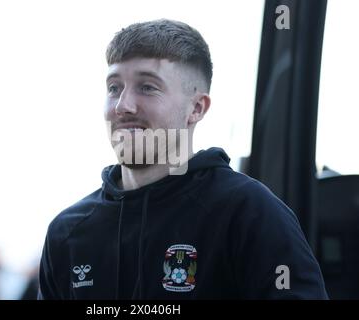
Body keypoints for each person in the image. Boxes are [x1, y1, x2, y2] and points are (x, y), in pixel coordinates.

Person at [38, 19, 328, 299]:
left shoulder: (249, 213)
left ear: (197, 108)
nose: (123, 105)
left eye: (147, 87)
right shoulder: (68, 232)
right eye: (114, 87)